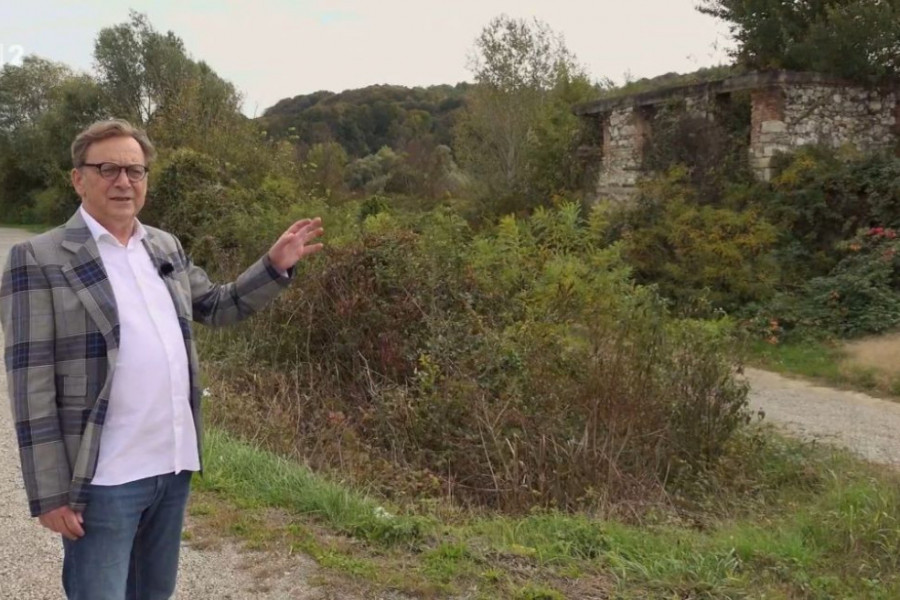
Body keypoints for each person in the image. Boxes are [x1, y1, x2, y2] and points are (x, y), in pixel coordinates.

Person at [0, 119, 324, 600]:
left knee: (154, 593)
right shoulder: (39, 257)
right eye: (108, 169)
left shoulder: (163, 245)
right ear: (78, 178)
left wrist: (273, 266)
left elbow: (217, 305)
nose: (124, 181)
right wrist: (49, 493)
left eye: (135, 170)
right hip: (104, 478)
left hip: (172, 468)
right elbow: (32, 385)